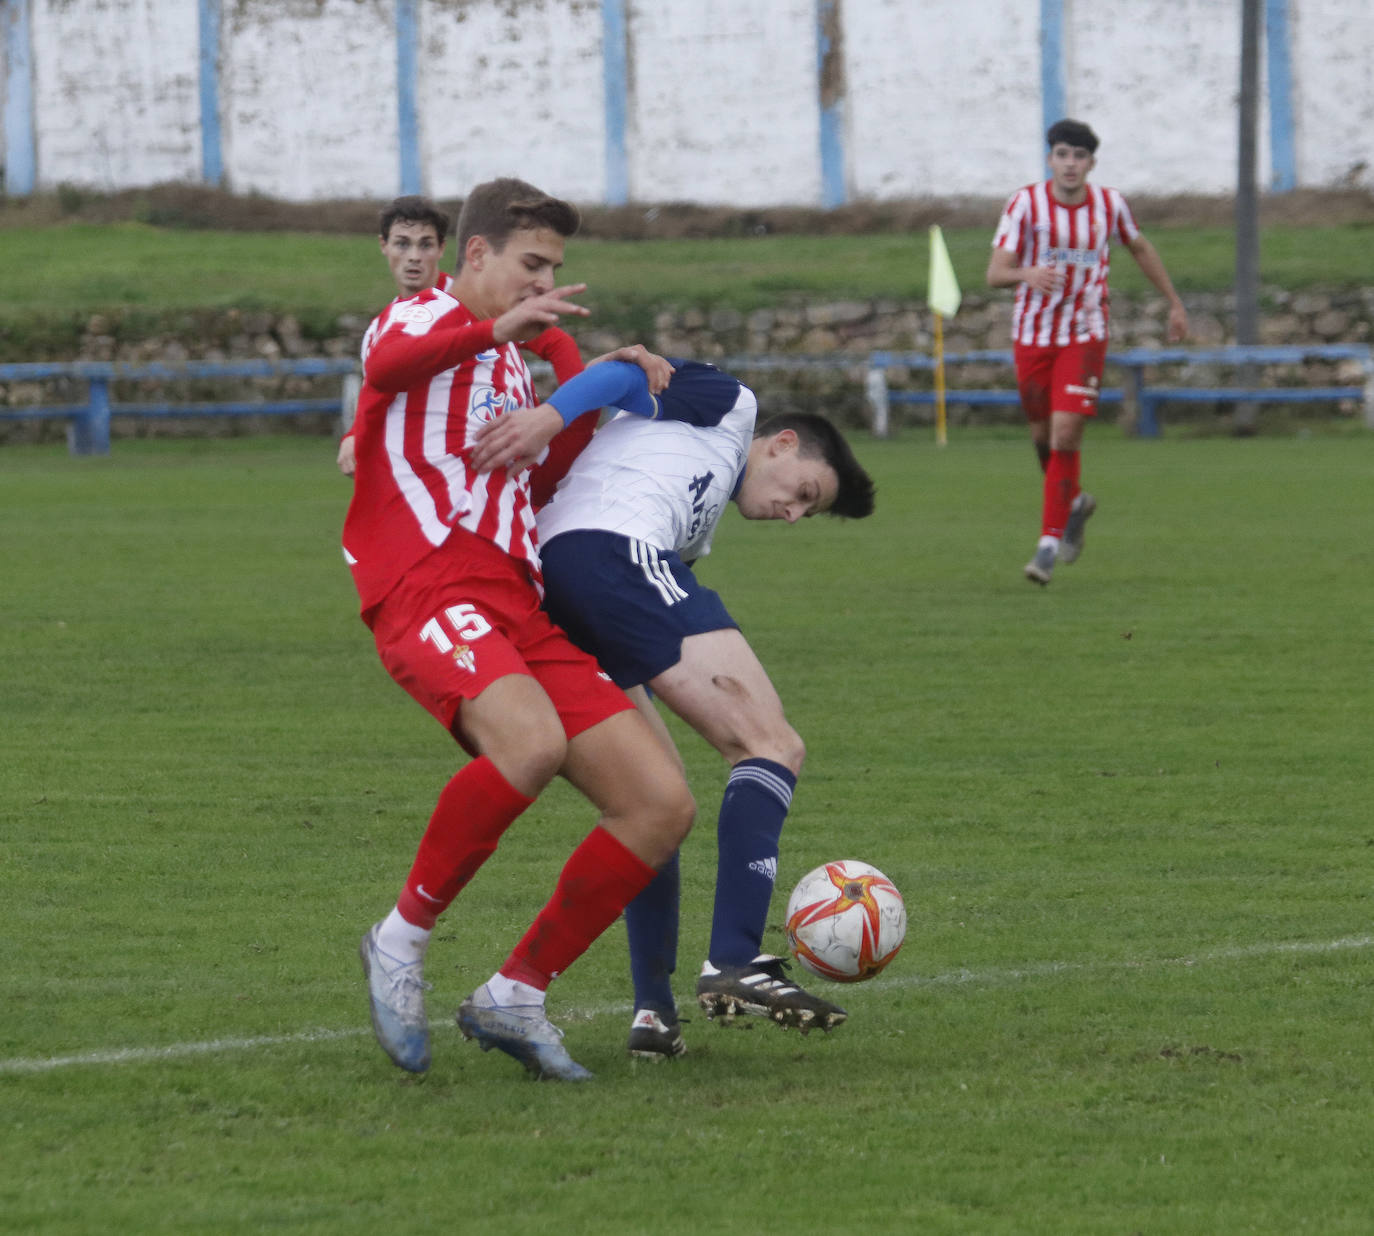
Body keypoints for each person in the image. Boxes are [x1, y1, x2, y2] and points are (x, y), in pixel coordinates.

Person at [347, 177, 694, 1082]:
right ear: (476, 255)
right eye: (531, 266)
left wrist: (589, 370)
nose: (543, 283)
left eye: (554, 270)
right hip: (426, 586)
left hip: (516, 603)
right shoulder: (414, 317)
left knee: (661, 805)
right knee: (529, 743)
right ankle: (398, 938)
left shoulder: (509, 368)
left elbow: (557, 461)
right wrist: (515, 328)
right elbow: (385, 374)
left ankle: (517, 993)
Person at [468, 359, 876, 1059]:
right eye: (804, 491)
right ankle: (734, 960)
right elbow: (626, 374)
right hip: (612, 554)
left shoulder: (694, 524)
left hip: (563, 581)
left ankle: (654, 1016)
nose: (795, 512)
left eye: (808, 512)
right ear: (780, 444)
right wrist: (550, 415)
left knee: (655, 805)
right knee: (771, 745)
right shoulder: (733, 405)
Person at [986, 118, 1189, 586]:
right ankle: (1073, 501)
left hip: (1085, 331)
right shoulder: (1025, 203)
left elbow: (1139, 246)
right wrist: (1027, 274)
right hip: (1033, 336)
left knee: (1064, 434)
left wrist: (1174, 303)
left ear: (1091, 163)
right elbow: (995, 272)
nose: (1070, 164)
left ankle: (1047, 548)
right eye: (1062, 154)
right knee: (1042, 436)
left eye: (1079, 157)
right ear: (1050, 159)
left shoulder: (1109, 204)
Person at [337, 195, 592, 494]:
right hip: (431, 487)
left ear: (442, 248)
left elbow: (557, 343)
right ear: (384, 245)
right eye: (403, 243)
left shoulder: (475, 301)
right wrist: (354, 434)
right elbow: (379, 393)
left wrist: (566, 419)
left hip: (504, 471)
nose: (414, 256)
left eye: (426, 244)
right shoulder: (380, 329)